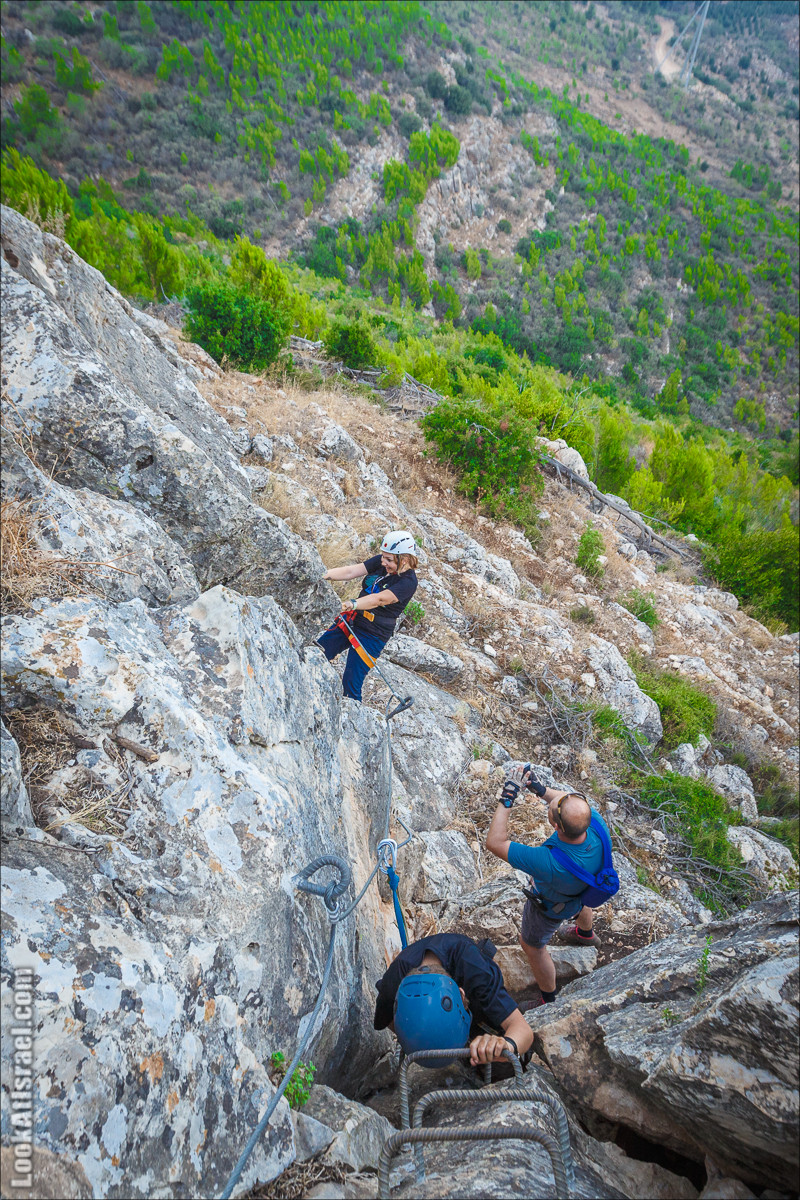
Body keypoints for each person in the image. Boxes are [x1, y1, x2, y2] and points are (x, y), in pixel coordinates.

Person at [485, 764, 612, 1007]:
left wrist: (508, 796)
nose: (555, 799)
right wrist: (541, 790)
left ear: (556, 827)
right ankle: (585, 934)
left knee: (531, 945)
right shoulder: (594, 821)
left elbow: (495, 842)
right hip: (586, 887)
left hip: (553, 905)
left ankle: (548, 998)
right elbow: (566, 802)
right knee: (583, 897)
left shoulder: (549, 862)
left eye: (553, 808)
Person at [374, 932, 533, 1069]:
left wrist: (506, 1046)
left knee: (501, 1064)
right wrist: (415, 1033)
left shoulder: (475, 968)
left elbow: (523, 1030)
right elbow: (386, 1019)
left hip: (469, 977)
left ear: (462, 995)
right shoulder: (392, 985)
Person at [318, 531, 419, 702]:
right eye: (383, 557)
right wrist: (322, 575)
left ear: (405, 559)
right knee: (319, 652)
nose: (383, 562)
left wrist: (352, 604)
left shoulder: (408, 582)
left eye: (389, 560)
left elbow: (379, 599)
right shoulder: (381, 562)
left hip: (373, 634)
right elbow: (351, 571)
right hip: (353, 621)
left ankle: (351, 720)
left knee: (350, 684)